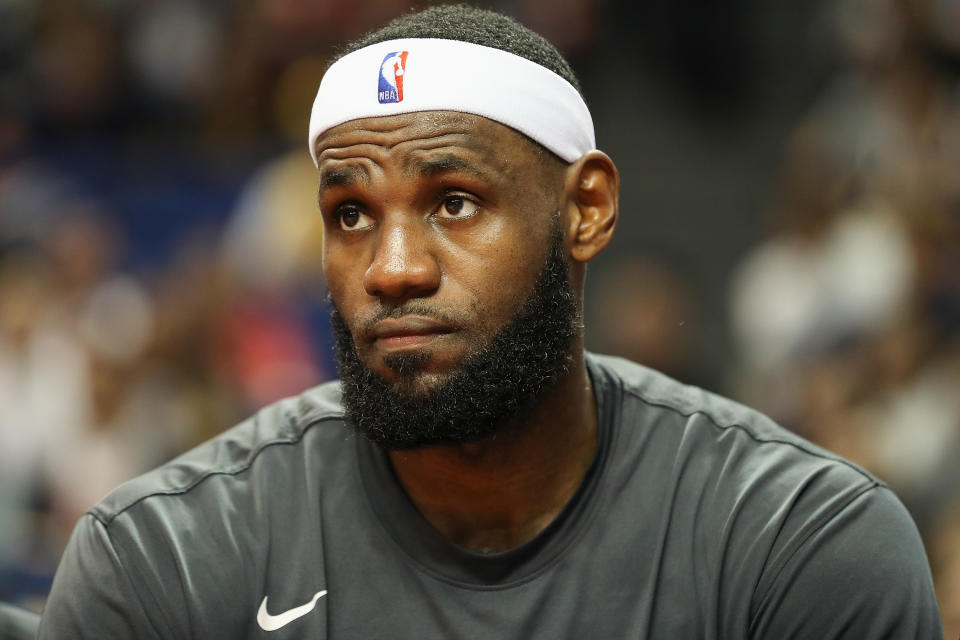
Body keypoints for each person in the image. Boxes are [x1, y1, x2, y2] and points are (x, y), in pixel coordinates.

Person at [38, 6, 943, 638]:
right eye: (351, 214)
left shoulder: (799, 547)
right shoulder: (166, 559)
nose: (393, 270)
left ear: (585, 209)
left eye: (456, 202)